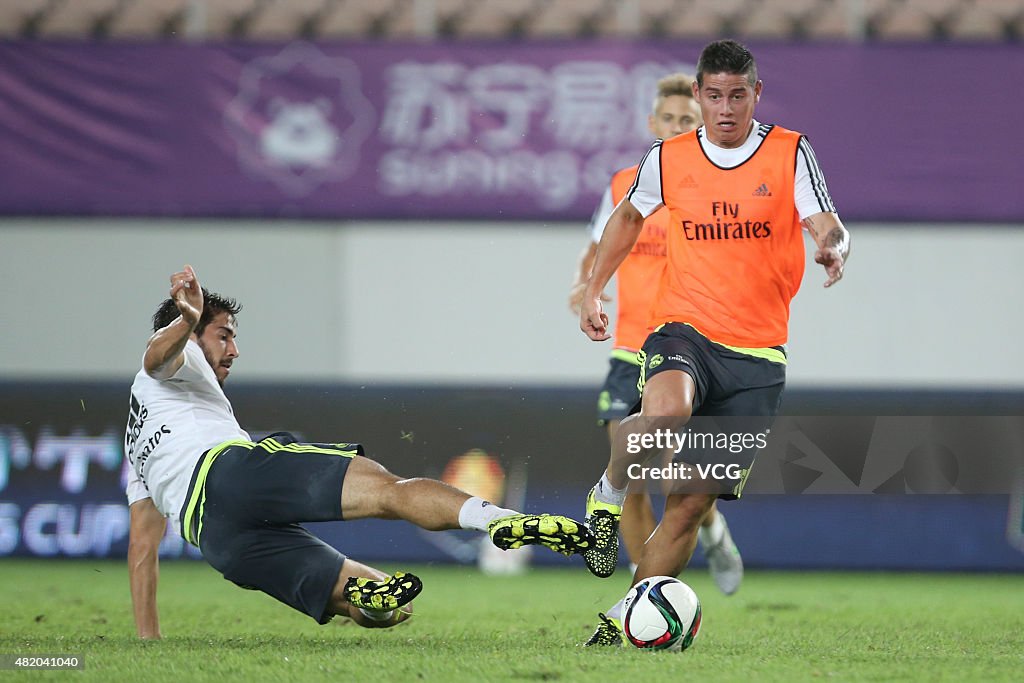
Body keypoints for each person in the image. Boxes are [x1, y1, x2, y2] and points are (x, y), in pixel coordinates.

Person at [126, 265, 592, 639]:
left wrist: (148, 639)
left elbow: (143, 546)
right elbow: (153, 357)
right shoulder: (173, 361)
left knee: (389, 603)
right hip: (231, 472)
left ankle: (369, 603)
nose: (234, 349)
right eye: (224, 334)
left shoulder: (138, 440)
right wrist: (187, 319)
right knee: (390, 490)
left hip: (217, 539)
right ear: (188, 333)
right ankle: (499, 522)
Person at [577, 40, 850, 645]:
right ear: (699, 97)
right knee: (665, 411)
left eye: (737, 95)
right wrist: (595, 289)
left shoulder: (789, 151)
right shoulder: (669, 158)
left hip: (757, 355)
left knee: (689, 505)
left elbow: (825, 220)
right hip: (685, 328)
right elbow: (626, 218)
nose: (725, 107)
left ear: (755, 95)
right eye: (715, 95)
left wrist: (835, 245)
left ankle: (625, 622)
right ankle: (610, 488)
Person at [569, 73, 744, 597]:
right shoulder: (627, 183)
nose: (675, 126)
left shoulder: (716, 186)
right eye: (667, 118)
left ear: (703, 125)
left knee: (679, 482)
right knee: (626, 476)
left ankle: (713, 533)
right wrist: (586, 286)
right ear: (652, 123)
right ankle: (641, 592)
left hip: (689, 349)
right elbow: (599, 245)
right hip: (630, 348)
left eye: (686, 120)